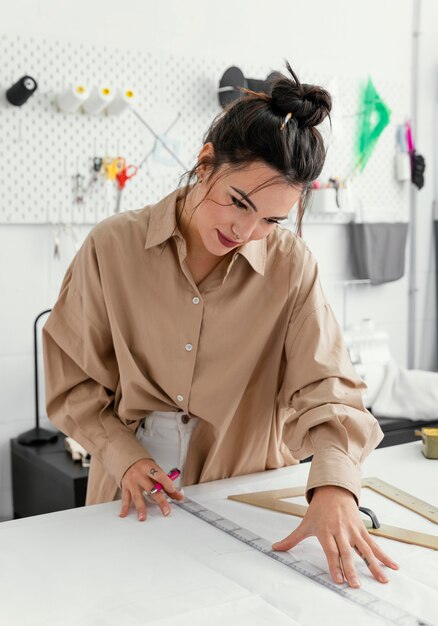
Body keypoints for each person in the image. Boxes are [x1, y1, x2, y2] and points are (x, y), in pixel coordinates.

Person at [42, 62, 398, 589]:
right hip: (132, 488)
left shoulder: (291, 265)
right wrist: (122, 456)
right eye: (239, 203)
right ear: (206, 163)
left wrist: (335, 487)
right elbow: (74, 382)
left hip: (245, 494)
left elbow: (327, 389)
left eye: (271, 220)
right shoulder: (111, 246)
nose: (246, 230)